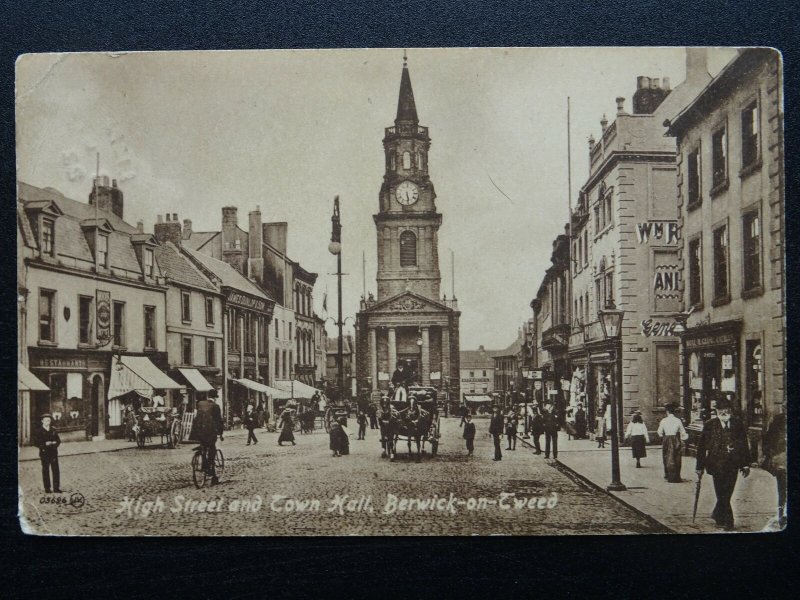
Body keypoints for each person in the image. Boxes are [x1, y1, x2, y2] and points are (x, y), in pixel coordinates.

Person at [695, 397, 751, 530]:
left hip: (733, 464)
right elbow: (702, 446)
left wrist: (745, 464)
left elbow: (744, 444)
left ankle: (719, 515)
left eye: (727, 410)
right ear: (716, 411)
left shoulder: (738, 424)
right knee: (721, 492)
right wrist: (699, 466)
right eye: (721, 410)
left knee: (727, 491)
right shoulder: (710, 424)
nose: (724, 413)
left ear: (730, 410)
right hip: (716, 465)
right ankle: (727, 520)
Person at [761, 410, 787, 530]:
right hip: (782, 462)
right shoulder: (778, 420)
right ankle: (782, 516)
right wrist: (772, 455)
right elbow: (767, 440)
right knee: (782, 490)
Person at [194, 397, 224, 485]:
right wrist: (221, 433)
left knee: (203, 447)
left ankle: (204, 463)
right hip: (210, 432)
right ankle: (208, 467)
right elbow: (219, 421)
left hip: (199, 432)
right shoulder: (216, 406)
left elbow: (197, 417)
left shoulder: (200, 403)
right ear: (215, 397)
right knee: (212, 449)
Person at [657, 403, 688, 482]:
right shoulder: (678, 420)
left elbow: (659, 432)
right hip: (675, 439)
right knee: (676, 457)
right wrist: (684, 439)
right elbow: (683, 432)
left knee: (667, 456)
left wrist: (662, 437)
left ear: (667, 412)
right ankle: (676, 476)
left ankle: (668, 474)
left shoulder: (664, 421)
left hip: (666, 439)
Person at [33, 413, 61, 493]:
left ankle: (56, 488)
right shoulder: (39, 431)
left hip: (53, 453)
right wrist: (44, 444)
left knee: (55, 470)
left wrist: (55, 443)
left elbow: (59, 440)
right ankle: (47, 488)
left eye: (49, 420)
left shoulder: (53, 430)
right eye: (45, 420)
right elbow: (35, 442)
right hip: (44, 453)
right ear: (42, 421)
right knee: (46, 470)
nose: (47, 422)